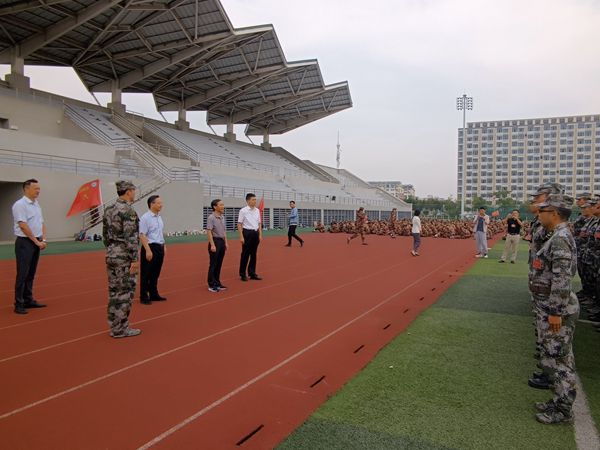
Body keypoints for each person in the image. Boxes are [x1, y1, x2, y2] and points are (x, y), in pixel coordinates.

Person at [529, 193, 579, 424]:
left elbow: (562, 279)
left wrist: (555, 312)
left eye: (543, 211)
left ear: (555, 214)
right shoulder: (554, 235)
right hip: (549, 306)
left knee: (560, 361)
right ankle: (558, 401)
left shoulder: (560, 238)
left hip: (556, 309)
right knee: (556, 357)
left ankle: (563, 410)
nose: (539, 214)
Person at [103, 180, 141, 338]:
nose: (134, 193)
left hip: (111, 253)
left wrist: (111, 249)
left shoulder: (109, 209)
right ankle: (120, 329)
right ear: (128, 191)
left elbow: (105, 235)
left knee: (114, 291)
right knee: (125, 292)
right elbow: (130, 237)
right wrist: (135, 259)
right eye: (133, 190)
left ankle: (114, 324)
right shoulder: (128, 210)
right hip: (124, 256)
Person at [12, 179, 47, 314]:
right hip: (25, 242)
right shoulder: (20, 205)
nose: (38, 191)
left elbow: (41, 223)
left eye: (39, 189)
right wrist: (36, 242)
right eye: (35, 188)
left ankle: (28, 299)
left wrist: (43, 239)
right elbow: (23, 225)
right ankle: (19, 303)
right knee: (22, 273)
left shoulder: (36, 204)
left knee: (31, 272)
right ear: (26, 189)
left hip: (36, 241)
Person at [139, 195, 167, 304]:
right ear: (152, 204)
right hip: (150, 247)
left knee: (156, 272)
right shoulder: (145, 218)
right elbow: (142, 234)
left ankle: (154, 294)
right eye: (159, 203)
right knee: (146, 273)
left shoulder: (159, 217)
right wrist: (148, 250)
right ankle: (143, 296)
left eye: (161, 203)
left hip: (159, 247)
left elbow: (159, 232)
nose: (161, 205)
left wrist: (163, 245)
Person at [238, 193, 262, 281]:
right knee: (245, 254)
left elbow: (259, 223)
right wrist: (241, 236)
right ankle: (242, 274)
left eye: (255, 199)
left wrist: (260, 234)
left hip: (255, 233)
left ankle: (252, 273)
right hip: (247, 233)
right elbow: (239, 224)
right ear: (248, 201)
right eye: (253, 200)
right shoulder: (243, 211)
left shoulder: (257, 210)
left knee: (254, 254)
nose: (255, 201)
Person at [207, 198, 228, 292]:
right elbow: (209, 231)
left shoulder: (222, 217)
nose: (223, 206)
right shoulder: (211, 217)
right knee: (213, 264)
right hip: (215, 241)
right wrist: (212, 245)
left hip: (221, 242)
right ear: (215, 207)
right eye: (221, 205)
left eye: (223, 205)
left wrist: (226, 242)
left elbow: (224, 231)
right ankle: (211, 285)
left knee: (219, 264)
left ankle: (217, 282)